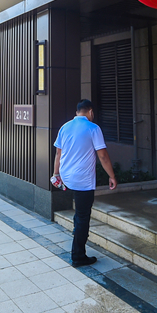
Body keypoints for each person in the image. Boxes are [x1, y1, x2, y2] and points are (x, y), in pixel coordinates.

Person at [53, 99, 117, 267]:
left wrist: (56, 174)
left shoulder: (65, 127)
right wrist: (112, 176)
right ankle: (78, 256)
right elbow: (102, 156)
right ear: (90, 112)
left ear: (77, 112)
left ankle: (77, 240)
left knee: (79, 214)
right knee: (83, 216)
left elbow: (58, 154)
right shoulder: (93, 128)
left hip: (66, 177)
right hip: (83, 180)